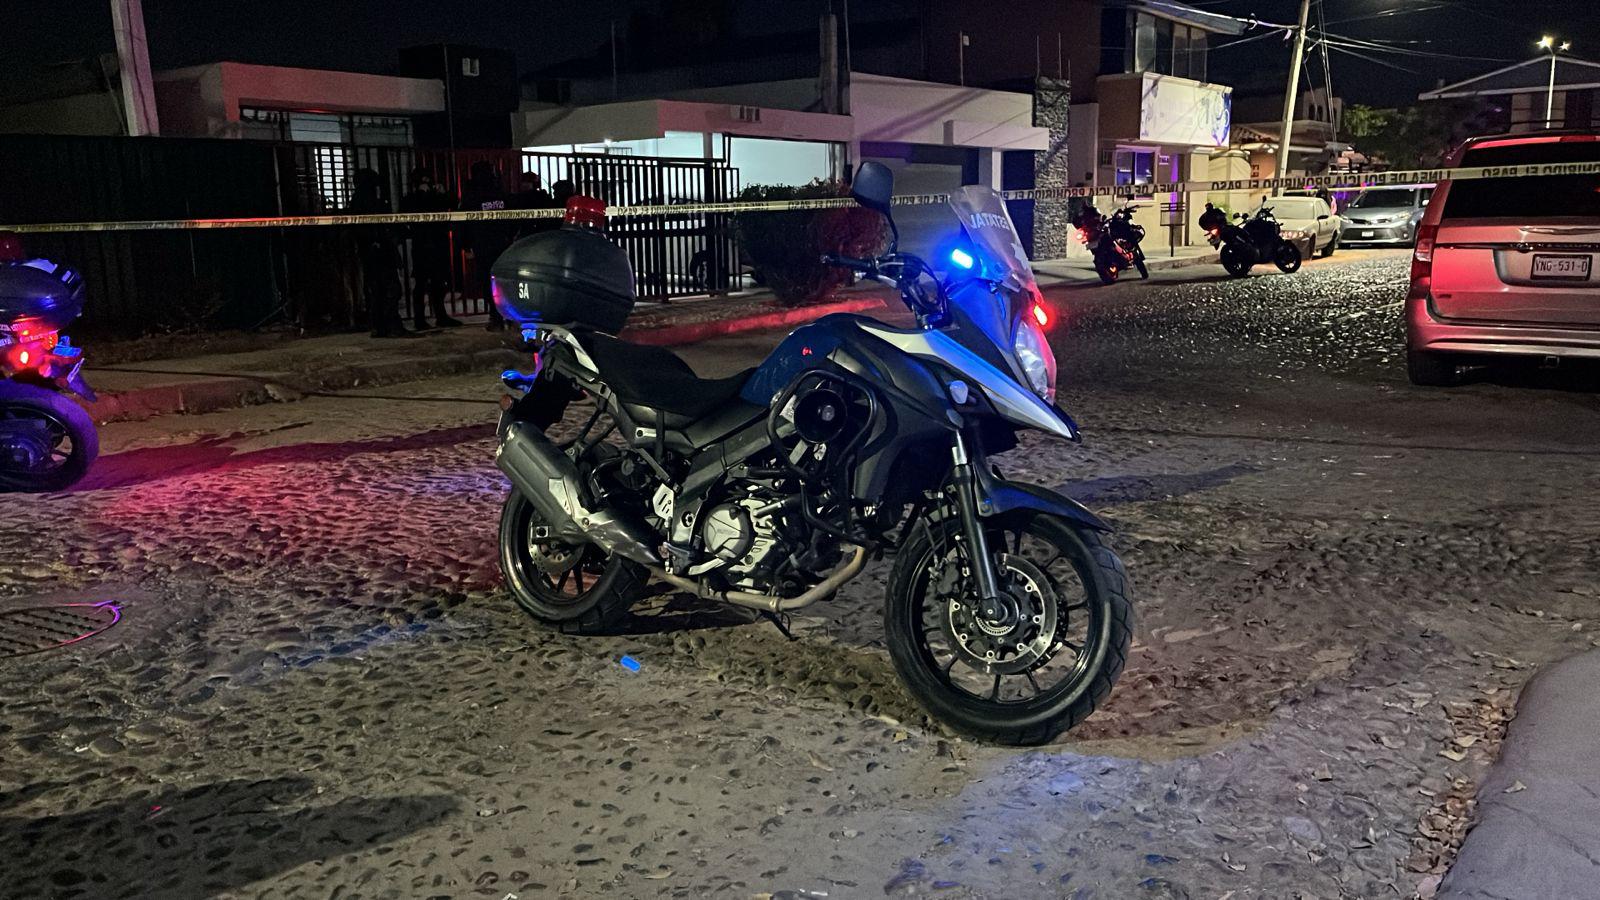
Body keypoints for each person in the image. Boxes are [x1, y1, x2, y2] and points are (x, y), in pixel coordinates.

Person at [346, 168, 412, 338]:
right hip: (379, 252)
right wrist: (383, 240)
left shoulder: (358, 202)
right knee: (390, 289)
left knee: (377, 291)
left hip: (372, 252)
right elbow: (378, 227)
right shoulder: (369, 202)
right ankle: (392, 326)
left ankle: (379, 327)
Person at [399, 167, 461, 330]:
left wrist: (443, 193)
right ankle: (419, 319)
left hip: (439, 244)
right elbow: (405, 215)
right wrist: (421, 194)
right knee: (421, 283)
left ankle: (441, 316)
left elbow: (454, 203)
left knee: (439, 282)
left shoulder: (436, 197)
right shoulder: (411, 198)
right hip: (422, 246)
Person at [459, 161, 513, 331]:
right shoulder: (500, 192)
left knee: (488, 282)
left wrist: (466, 245)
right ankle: (508, 317)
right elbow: (513, 218)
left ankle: (496, 318)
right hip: (502, 244)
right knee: (504, 281)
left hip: (482, 245)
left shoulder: (471, 195)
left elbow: (463, 222)